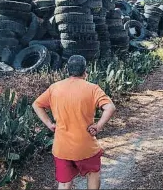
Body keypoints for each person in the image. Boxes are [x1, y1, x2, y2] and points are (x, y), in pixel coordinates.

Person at [32, 55, 116, 190]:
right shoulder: (92, 88)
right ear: (85, 71)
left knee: (64, 183)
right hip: (85, 146)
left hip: (62, 147)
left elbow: (36, 104)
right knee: (93, 174)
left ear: (67, 70)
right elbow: (110, 107)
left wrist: (49, 124)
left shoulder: (55, 88)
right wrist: (98, 126)